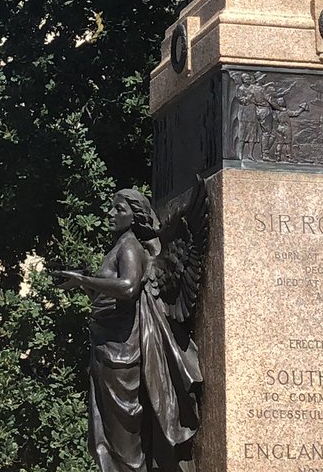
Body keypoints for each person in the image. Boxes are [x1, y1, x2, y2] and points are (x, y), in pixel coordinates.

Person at [59, 188, 204, 472]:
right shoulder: (118, 247)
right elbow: (108, 300)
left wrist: (82, 279)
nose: (111, 214)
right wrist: (87, 284)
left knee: (123, 440)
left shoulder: (129, 246)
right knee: (107, 438)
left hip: (122, 354)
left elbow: (128, 287)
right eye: (111, 209)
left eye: (119, 210)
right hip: (106, 345)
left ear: (134, 216)